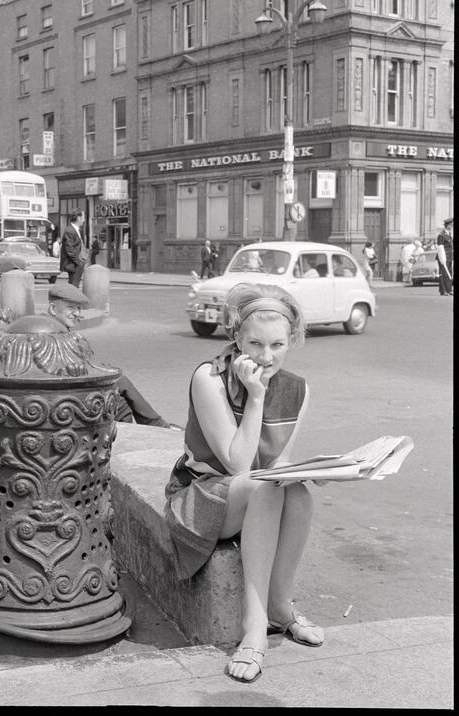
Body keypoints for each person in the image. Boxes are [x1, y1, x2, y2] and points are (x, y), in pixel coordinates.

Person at [165, 283, 323, 684]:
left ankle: (281, 606)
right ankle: (255, 629)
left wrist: (313, 473)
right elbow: (237, 465)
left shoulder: (298, 389)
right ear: (235, 337)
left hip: (253, 494)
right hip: (201, 496)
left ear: (292, 342)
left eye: (277, 345)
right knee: (261, 486)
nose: (265, 357)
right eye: (254, 343)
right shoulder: (210, 378)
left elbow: (277, 465)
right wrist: (255, 396)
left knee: (298, 493)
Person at [47, 282, 181, 430]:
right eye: (70, 307)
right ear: (53, 309)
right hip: (61, 394)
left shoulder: (59, 328)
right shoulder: (47, 331)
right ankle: (156, 425)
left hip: (69, 389)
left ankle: (137, 430)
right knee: (119, 382)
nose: (77, 313)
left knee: (120, 398)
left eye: (79, 308)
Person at [60, 209, 87, 288]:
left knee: (74, 285)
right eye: (83, 218)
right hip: (73, 264)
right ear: (78, 218)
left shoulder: (75, 230)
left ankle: (72, 299)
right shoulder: (70, 230)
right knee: (74, 286)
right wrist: (79, 262)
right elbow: (69, 249)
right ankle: (72, 300)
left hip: (75, 264)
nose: (84, 220)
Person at [436, 217, 453, 296]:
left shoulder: (449, 234)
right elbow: (440, 247)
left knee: (449, 272)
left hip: (449, 256)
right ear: (447, 225)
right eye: (451, 225)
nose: (452, 226)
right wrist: (443, 258)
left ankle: (449, 289)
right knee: (443, 273)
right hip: (443, 256)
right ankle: (443, 290)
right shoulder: (441, 235)